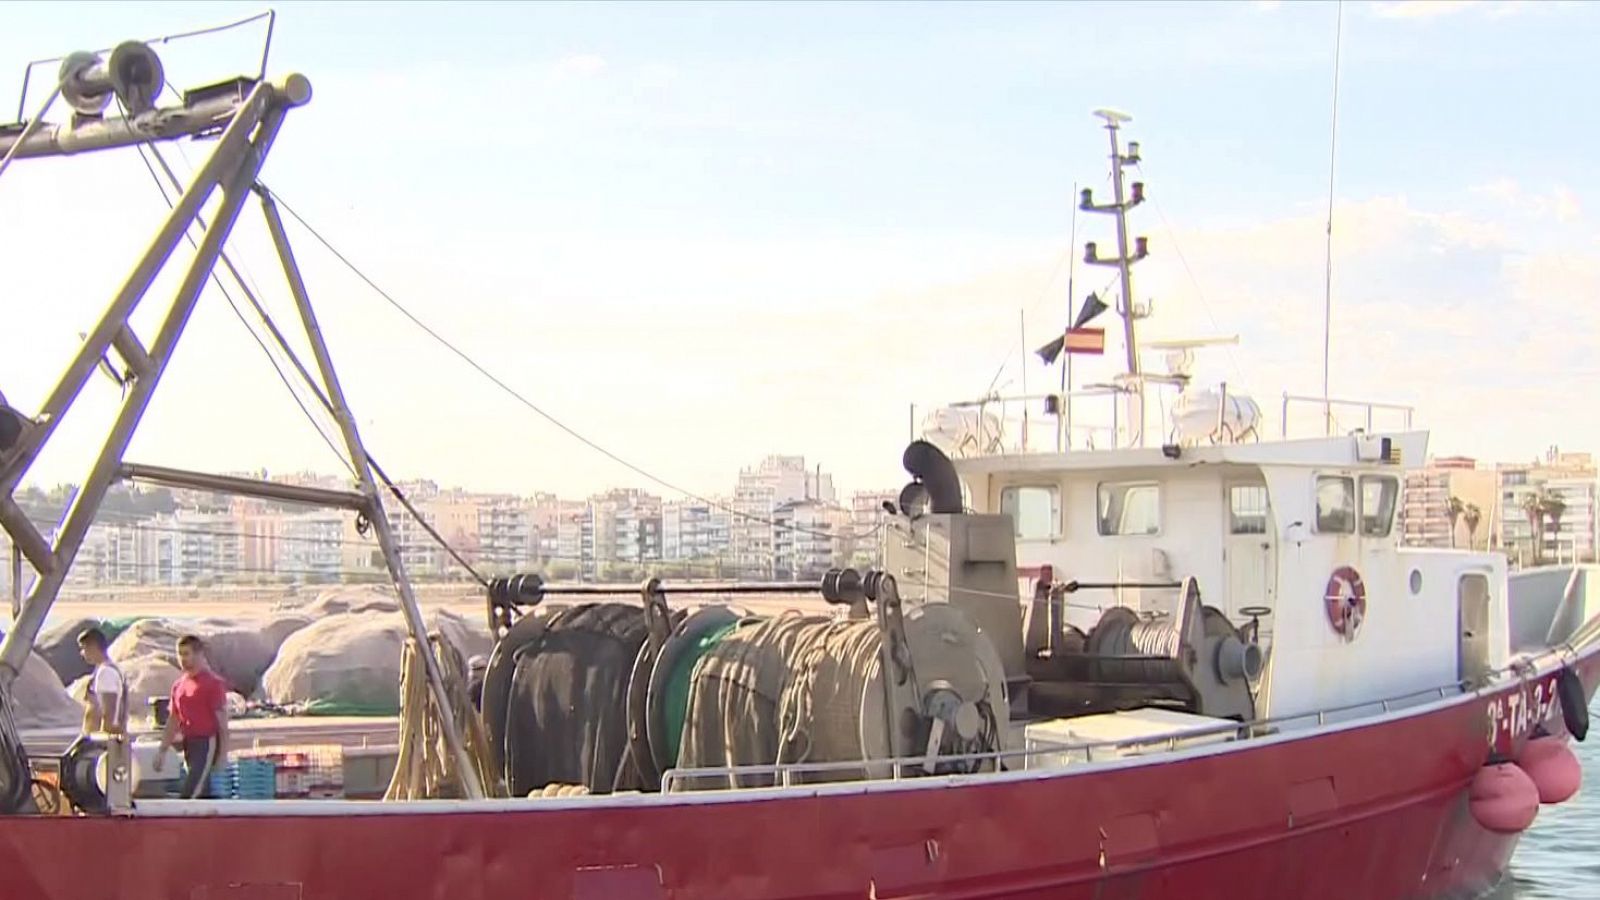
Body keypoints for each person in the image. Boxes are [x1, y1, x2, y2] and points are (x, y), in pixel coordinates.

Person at [154, 634, 230, 799]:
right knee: (202, 792)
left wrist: (223, 753)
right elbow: (174, 719)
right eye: (180, 654)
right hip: (189, 743)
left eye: (187, 654)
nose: (183, 659)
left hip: (206, 742)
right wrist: (162, 750)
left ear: (199, 655)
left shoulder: (212, 683)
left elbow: (222, 721)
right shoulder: (178, 686)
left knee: (191, 792)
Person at [75, 627, 127, 736]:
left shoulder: (106, 673)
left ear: (93, 647)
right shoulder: (102, 671)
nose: (82, 653)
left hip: (101, 741)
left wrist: (102, 740)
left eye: (84, 648)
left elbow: (108, 712)